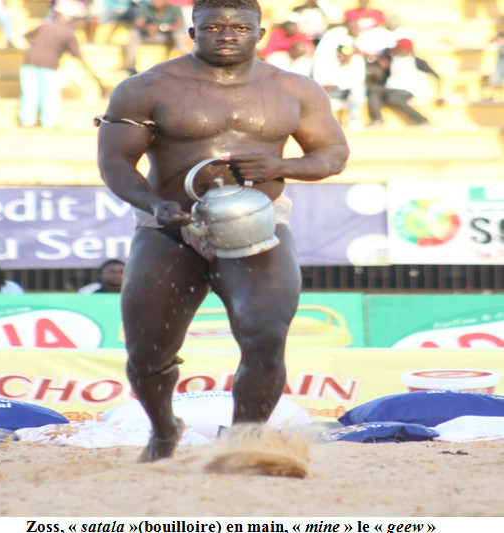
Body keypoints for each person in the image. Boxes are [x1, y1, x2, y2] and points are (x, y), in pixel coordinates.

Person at [96, 0, 349, 462]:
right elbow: (114, 161)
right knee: (147, 354)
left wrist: (282, 164)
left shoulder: (295, 88)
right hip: (169, 227)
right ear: (192, 33)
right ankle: (163, 428)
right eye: (212, 26)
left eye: (238, 26)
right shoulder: (147, 87)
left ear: (260, 32)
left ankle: (243, 444)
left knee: (266, 338)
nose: (226, 34)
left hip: (260, 225)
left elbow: (332, 154)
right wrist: (154, 203)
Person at [18, 0, 105, 128]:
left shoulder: (45, 26)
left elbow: (26, 36)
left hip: (29, 64)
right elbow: (79, 58)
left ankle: (26, 122)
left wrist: (35, 45)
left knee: (30, 94)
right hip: (48, 68)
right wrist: (96, 78)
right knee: (50, 96)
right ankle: (49, 123)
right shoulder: (69, 34)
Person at [366, 38, 444, 127]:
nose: (396, 49)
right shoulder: (393, 59)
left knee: (393, 98)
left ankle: (421, 119)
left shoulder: (417, 61)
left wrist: (439, 95)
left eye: (398, 47)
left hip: (408, 89)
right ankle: (377, 120)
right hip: (390, 87)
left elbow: (437, 77)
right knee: (374, 89)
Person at [125, 0, 187, 75]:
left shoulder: (174, 8)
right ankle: (132, 65)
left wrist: (163, 27)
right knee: (134, 33)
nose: (156, 2)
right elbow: (138, 23)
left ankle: (184, 62)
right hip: (149, 36)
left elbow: (180, 25)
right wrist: (147, 27)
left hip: (166, 36)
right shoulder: (145, 8)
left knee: (178, 34)